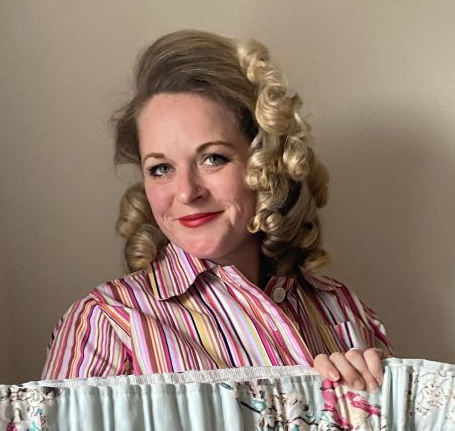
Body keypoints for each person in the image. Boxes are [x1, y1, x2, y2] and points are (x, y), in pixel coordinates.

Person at [41, 30, 393, 391]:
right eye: (160, 168)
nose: (186, 192)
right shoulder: (104, 323)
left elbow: (391, 428)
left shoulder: (340, 307)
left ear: (266, 162)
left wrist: (368, 406)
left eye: (213, 158)